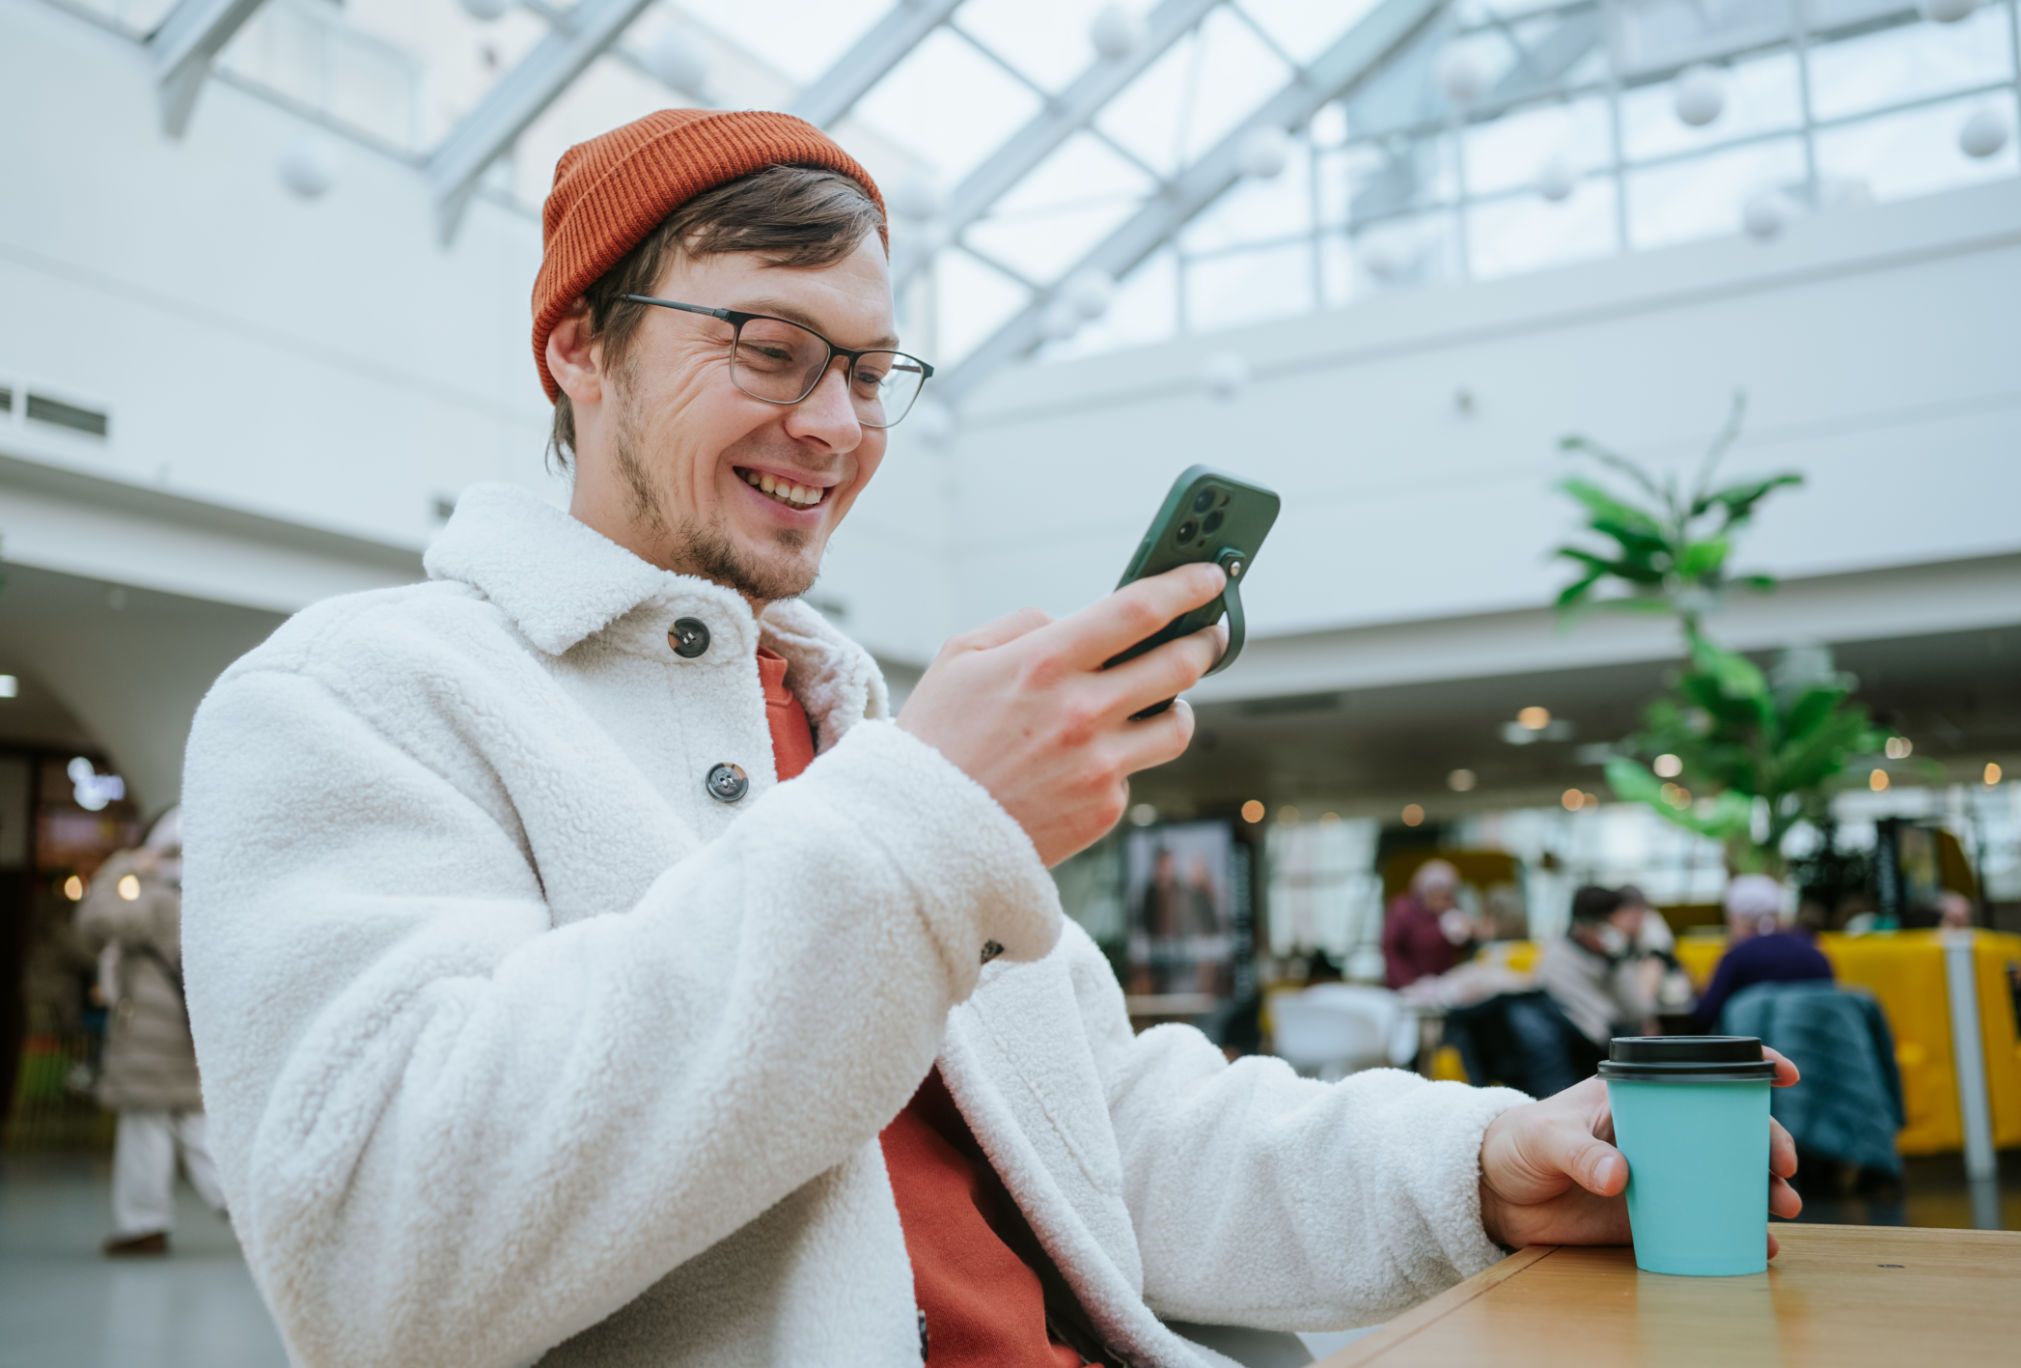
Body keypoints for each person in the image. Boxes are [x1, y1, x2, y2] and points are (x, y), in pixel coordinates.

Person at [182, 109, 1801, 1367]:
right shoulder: (354, 696)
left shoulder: (847, 715)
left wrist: (1467, 1163)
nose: (833, 425)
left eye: (871, 370)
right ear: (576, 346)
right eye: (767, 346)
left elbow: (1094, 1123)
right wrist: (922, 819)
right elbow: (384, 1250)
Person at [73, 809, 227, 1255]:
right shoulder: (205, 899)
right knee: (196, 1126)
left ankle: (144, 1224)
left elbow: (95, 922)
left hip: (150, 1037)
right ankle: (242, 1205)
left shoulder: (154, 898)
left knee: (147, 1126)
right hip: (186, 1032)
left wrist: (121, 867)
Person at [1692, 874, 1835, 1031]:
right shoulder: (1814, 952)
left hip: (1755, 1052)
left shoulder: (1738, 957)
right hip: (1814, 1050)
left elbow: (1704, 1016)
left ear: (1739, 919)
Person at [1536, 886, 1658, 1051]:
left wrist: (1617, 962)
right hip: (1584, 1048)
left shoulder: (1606, 955)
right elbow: (1598, 1029)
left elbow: (1638, 1010)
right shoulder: (1559, 960)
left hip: (1602, 1042)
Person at [1381, 858, 1475, 989]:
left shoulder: (1452, 911)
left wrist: (1467, 935)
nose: (1443, 903)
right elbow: (1391, 950)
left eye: (1448, 897)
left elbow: (1461, 948)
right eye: (1437, 897)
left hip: (1441, 985)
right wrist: (1408, 983)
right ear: (1423, 893)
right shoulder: (1402, 911)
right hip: (1407, 985)